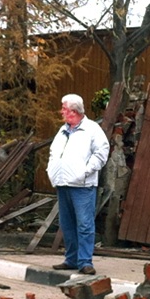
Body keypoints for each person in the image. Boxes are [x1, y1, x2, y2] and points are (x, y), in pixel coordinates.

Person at [47, 93, 110, 275]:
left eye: (64, 109)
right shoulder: (63, 130)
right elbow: (54, 153)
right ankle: (71, 259)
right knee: (67, 224)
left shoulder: (92, 129)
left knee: (84, 224)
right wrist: (52, 170)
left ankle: (85, 262)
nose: (62, 112)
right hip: (63, 183)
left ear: (73, 111)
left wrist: (85, 172)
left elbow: (101, 153)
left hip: (82, 186)